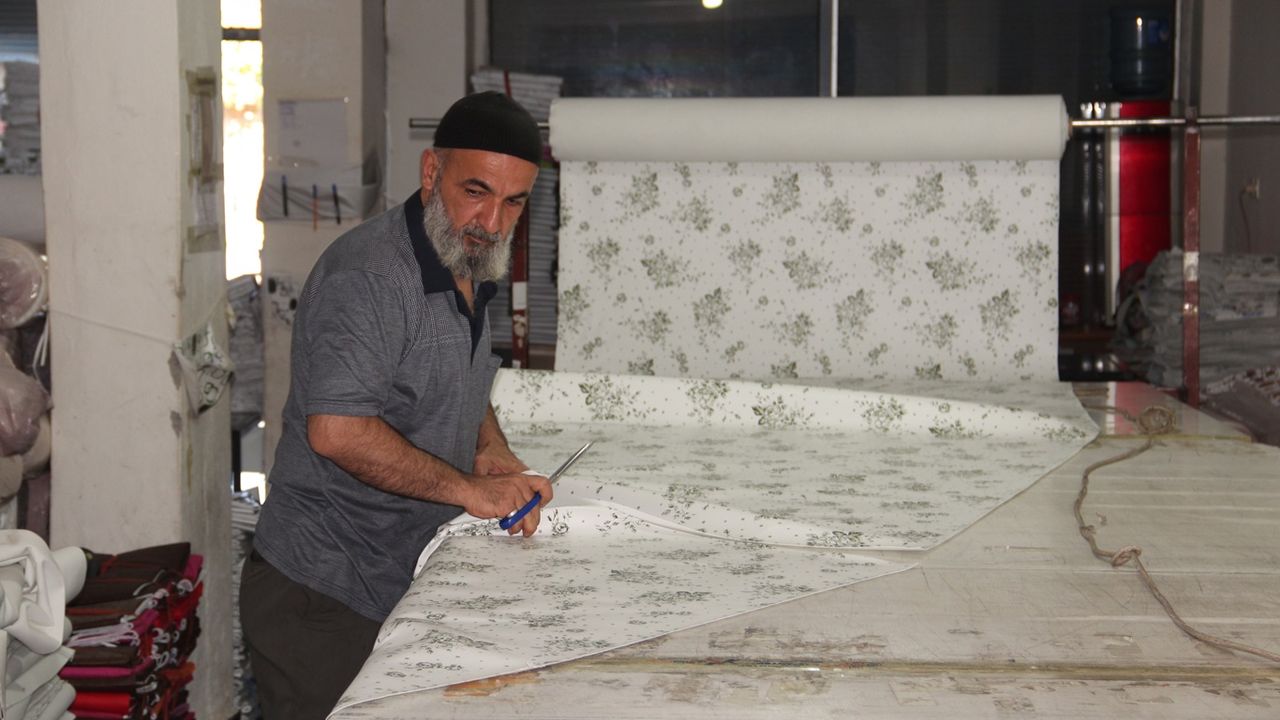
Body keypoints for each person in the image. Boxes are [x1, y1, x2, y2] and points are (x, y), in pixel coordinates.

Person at [240, 91, 553, 719]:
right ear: (431, 172)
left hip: (395, 578)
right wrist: (467, 489)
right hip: (323, 593)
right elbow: (337, 431)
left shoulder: (467, 257)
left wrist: (488, 447)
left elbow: (458, 374)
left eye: (513, 201)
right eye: (476, 191)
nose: (492, 221)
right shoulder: (372, 279)